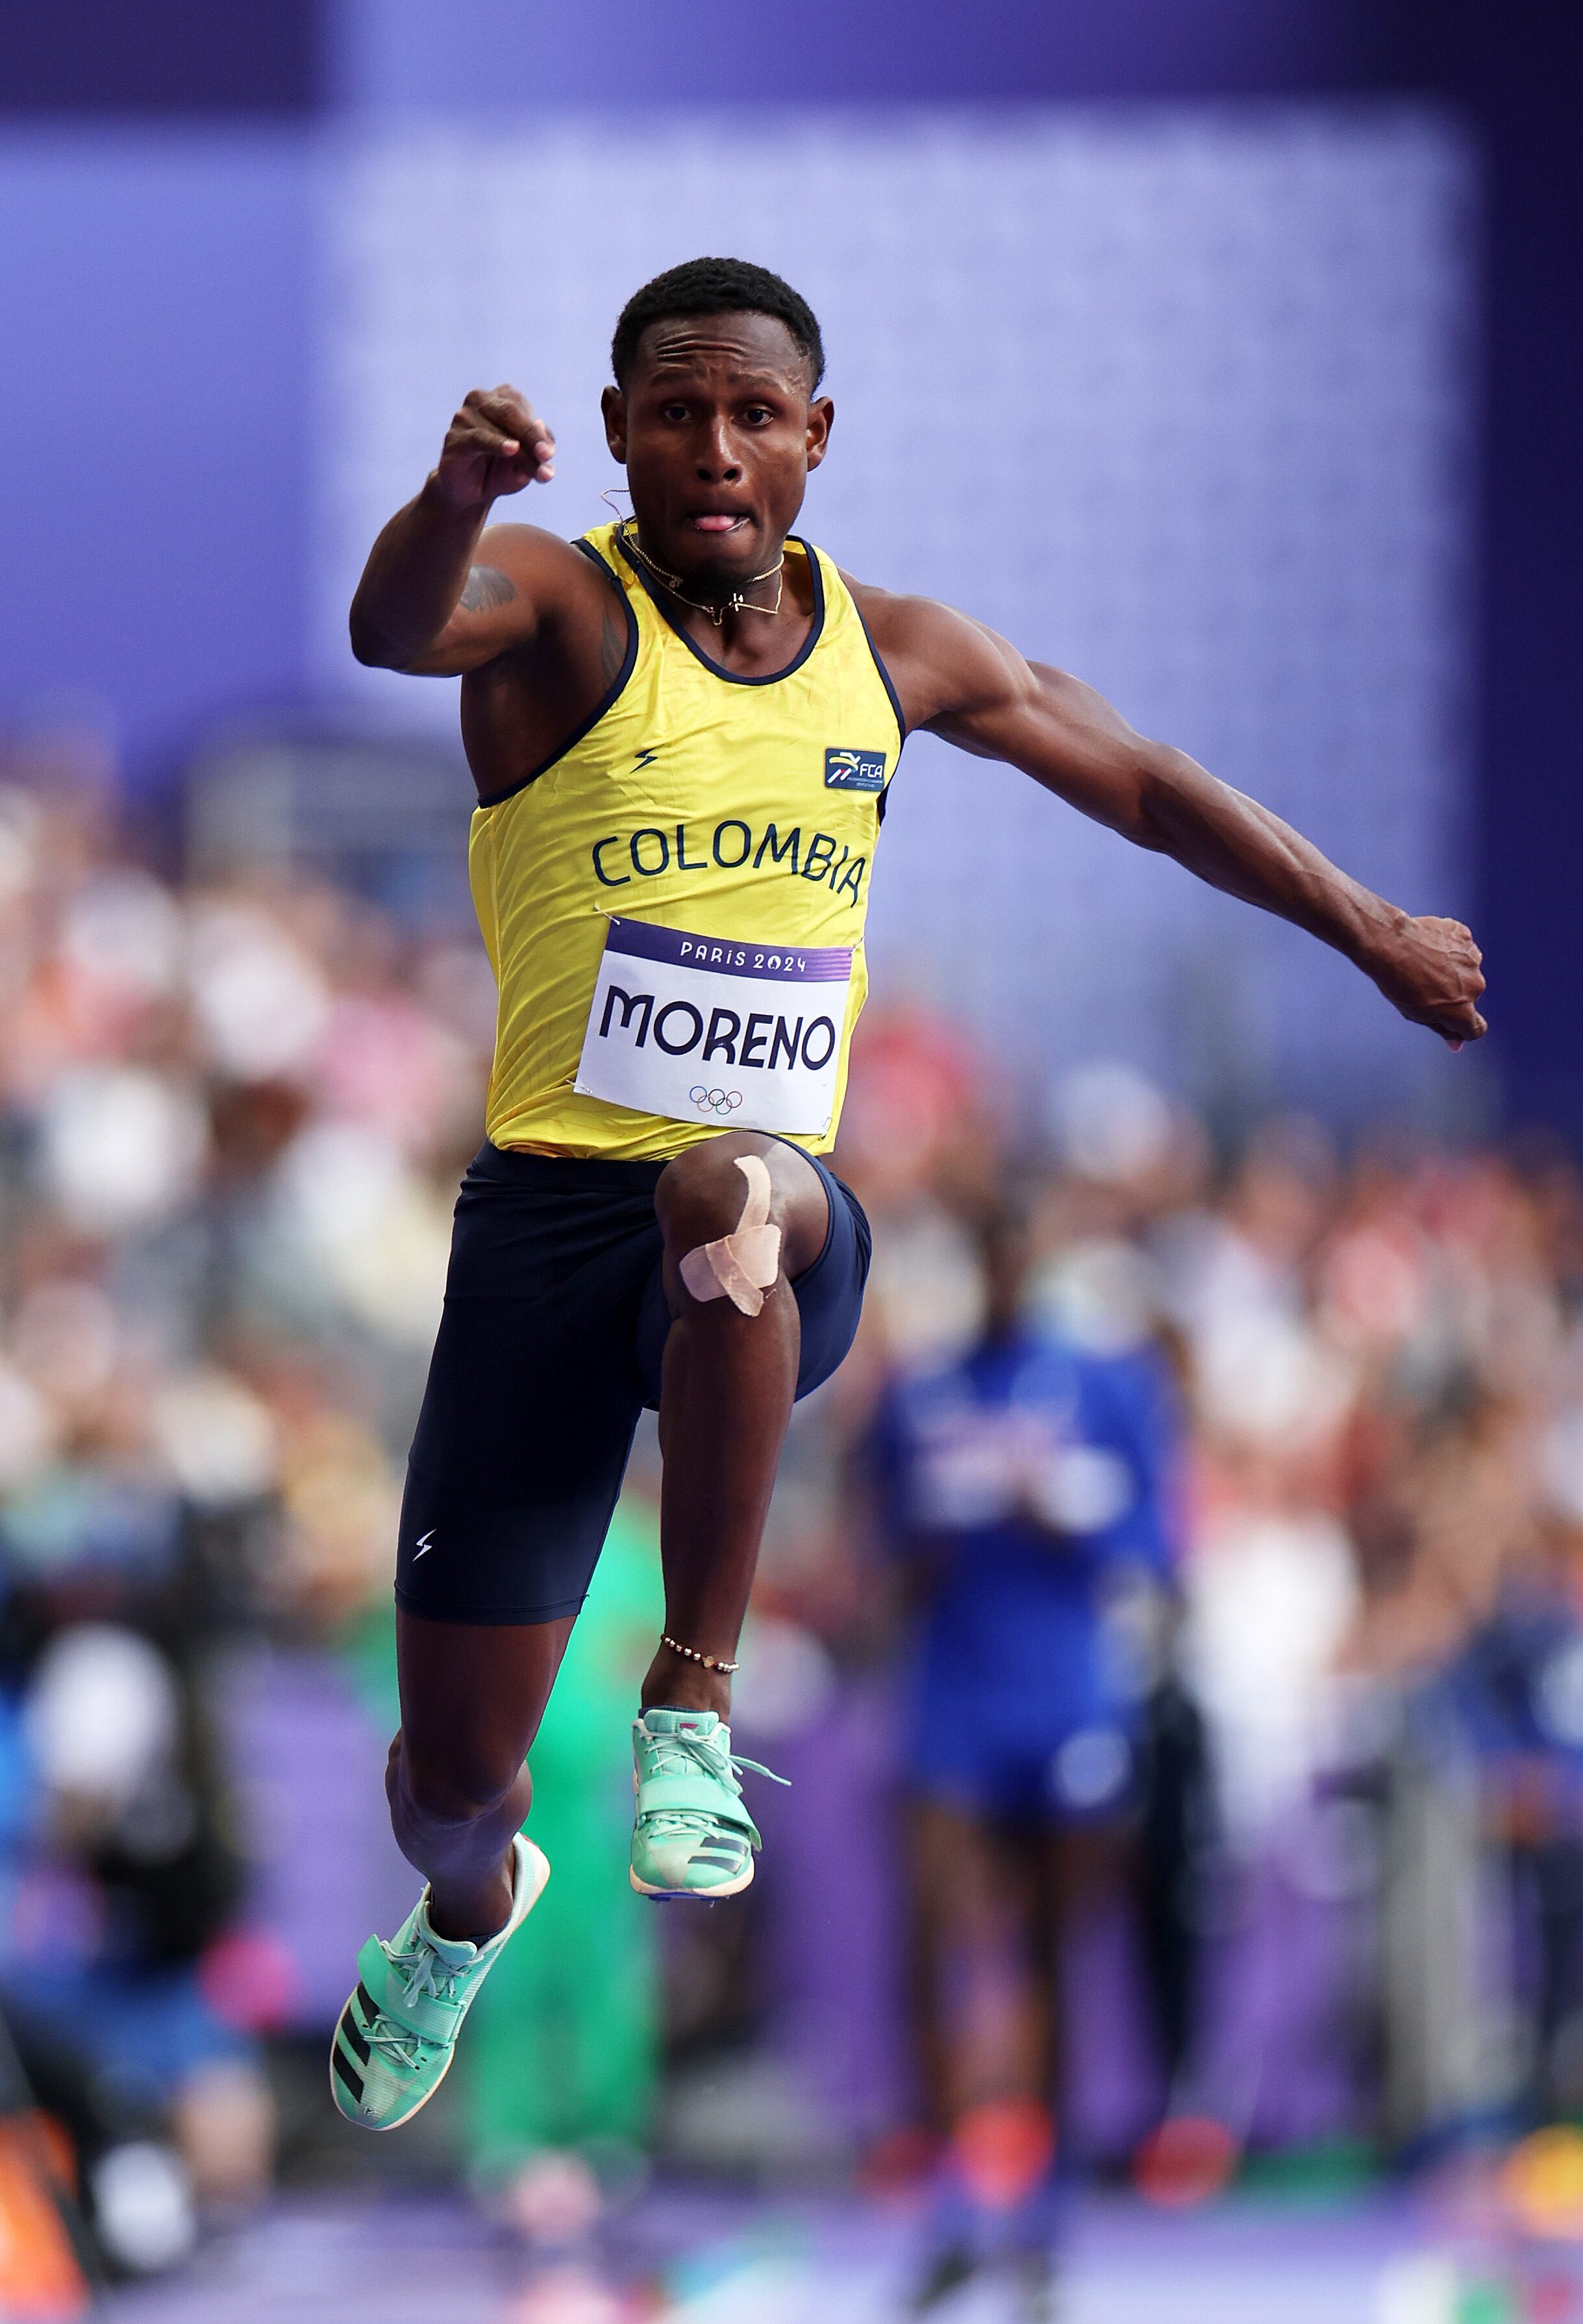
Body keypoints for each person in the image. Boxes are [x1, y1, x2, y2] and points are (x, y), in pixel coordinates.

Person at [327, 255, 1486, 2132]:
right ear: (618, 433)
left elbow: (1136, 776)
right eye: (674, 413)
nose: (714, 450)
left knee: (728, 1194)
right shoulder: (556, 604)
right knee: (448, 1777)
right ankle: (464, 1910)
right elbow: (395, 631)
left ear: (812, 434)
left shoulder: (901, 647)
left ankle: (690, 1716)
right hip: (544, 1224)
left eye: (751, 414)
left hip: (772, 1223)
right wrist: (460, 493)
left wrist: (1363, 931)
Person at [871, 1203, 1177, 2310]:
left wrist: (1069, 1515)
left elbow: (1157, 1539)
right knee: (933, 1939)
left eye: (1015, 1254)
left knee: (1053, 1950)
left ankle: (1042, 2219)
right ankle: (954, 2204)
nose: (1000, 1274)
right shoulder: (920, 1389)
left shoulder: (1102, 1382)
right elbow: (878, 1543)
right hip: (954, 1691)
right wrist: (937, 1518)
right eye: (984, 1256)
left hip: (1066, 1692)